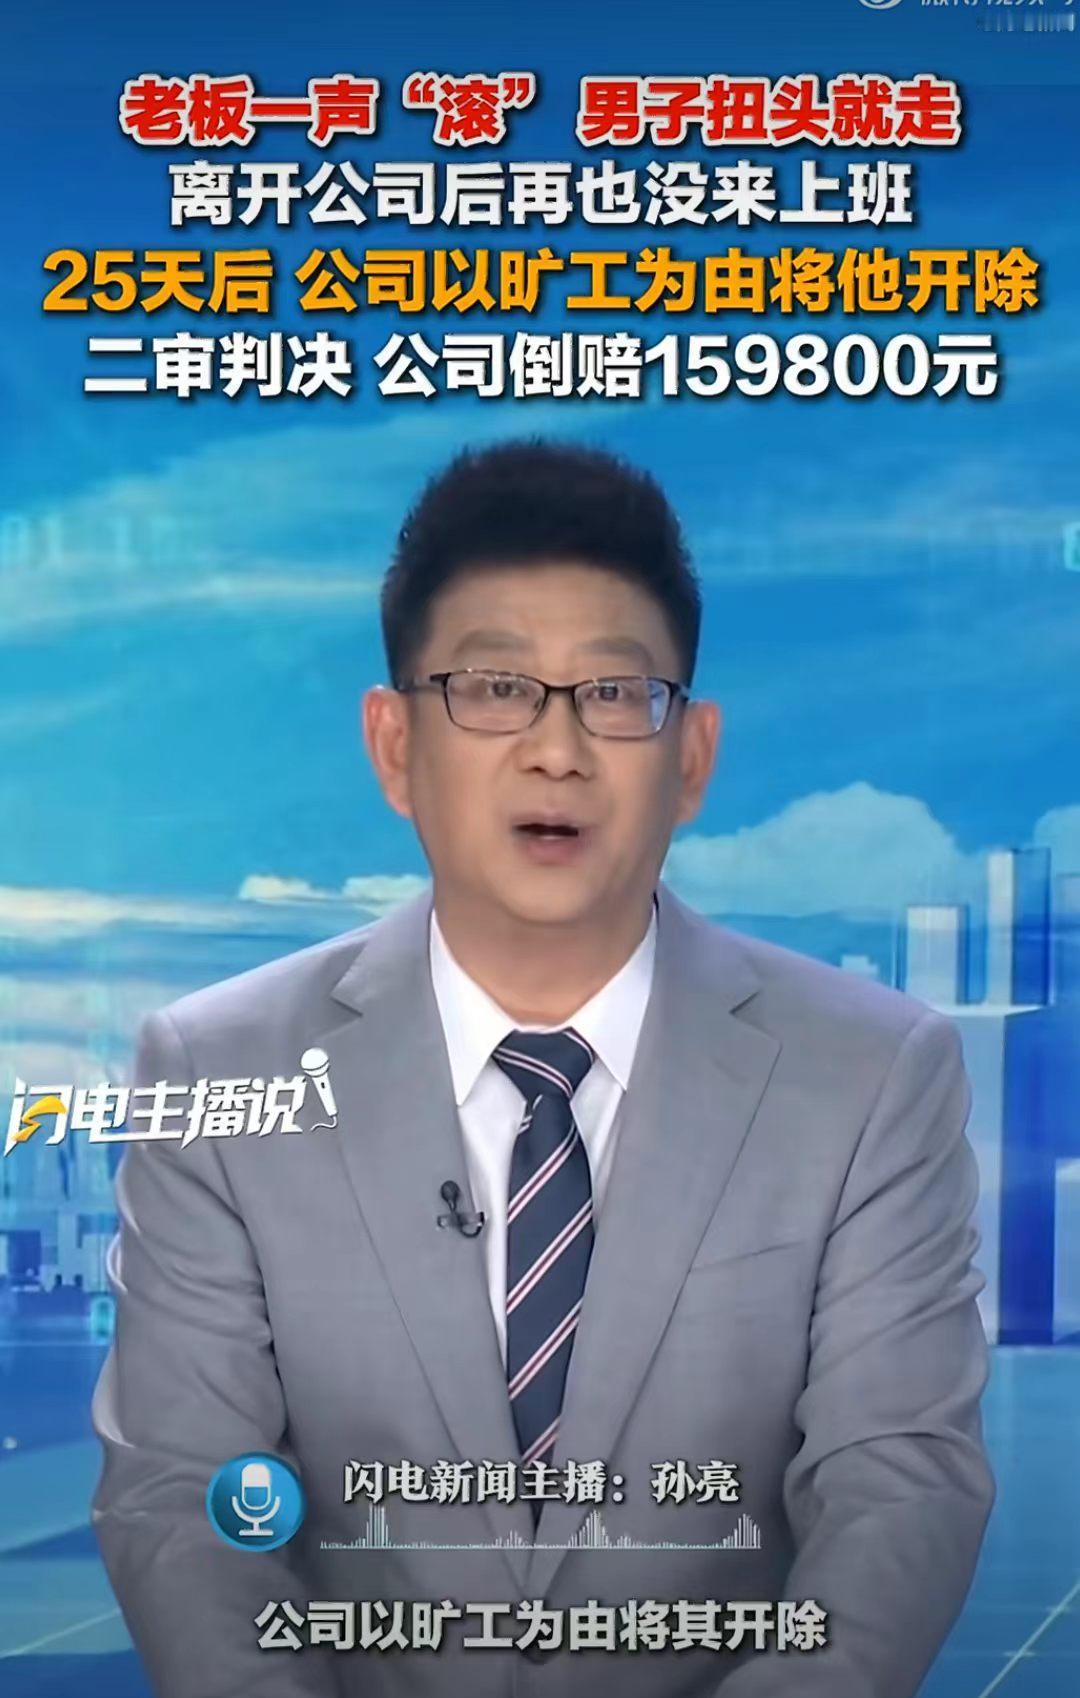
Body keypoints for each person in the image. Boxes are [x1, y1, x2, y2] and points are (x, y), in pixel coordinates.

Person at [91, 439, 994, 1698]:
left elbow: (897, 1489)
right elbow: (183, 1501)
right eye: (495, 688)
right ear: (393, 744)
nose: (556, 750)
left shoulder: (872, 1076)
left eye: (615, 694)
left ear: (692, 758)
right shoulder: (217, 1074)